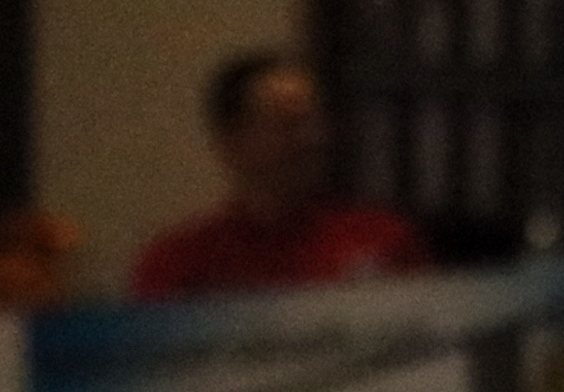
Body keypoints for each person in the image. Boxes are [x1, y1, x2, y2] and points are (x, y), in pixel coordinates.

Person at [128, 51, 429, 301]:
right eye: (289, 125)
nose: (312, 138)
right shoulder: (182, 263)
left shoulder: (382, 240)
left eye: (314, 120)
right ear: (233, 141)